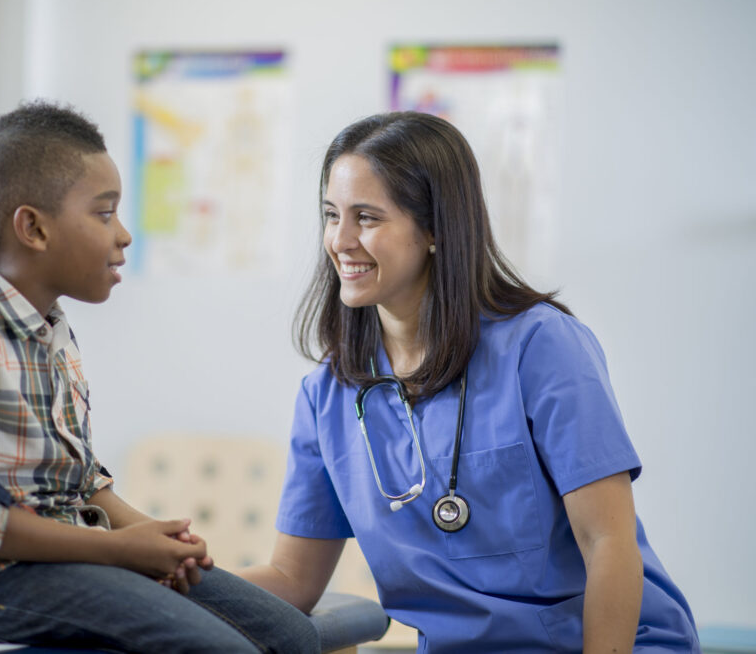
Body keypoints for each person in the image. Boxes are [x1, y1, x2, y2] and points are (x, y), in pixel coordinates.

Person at [239, 111, 700, 653]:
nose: (339, 240)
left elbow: (607, 541)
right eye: (330, 215)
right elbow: (293, 580)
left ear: (435, 228)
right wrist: (173, 580)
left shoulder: (540, 346)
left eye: (366, 217)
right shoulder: (327, 396)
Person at [0, 101, 319, 653]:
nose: (124, 234)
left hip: (69, 556)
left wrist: (154, 538)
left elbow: (78, 481)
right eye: (104, 214)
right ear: (33, 227)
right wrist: (120, 550)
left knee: (292, 637)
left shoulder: (51, 331)